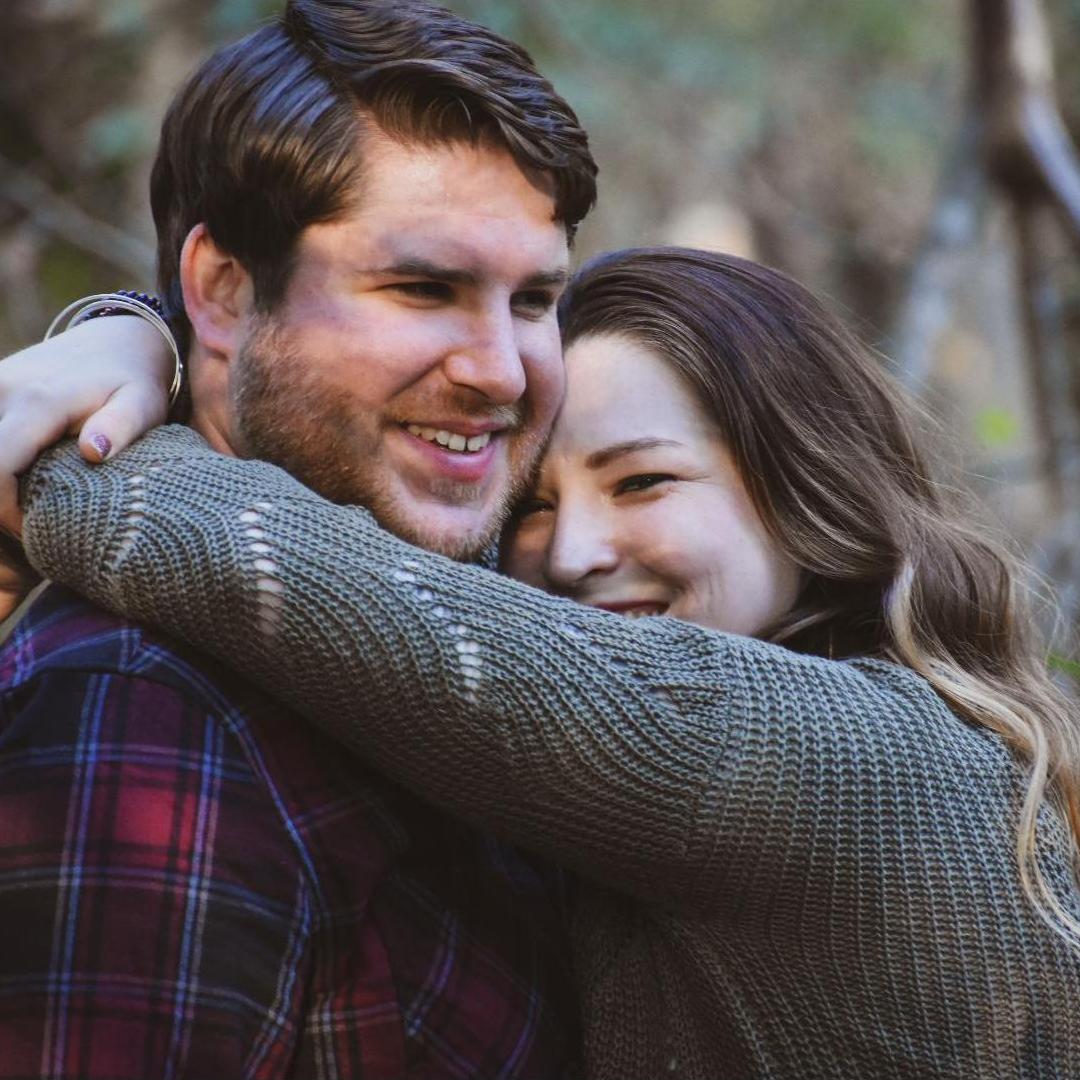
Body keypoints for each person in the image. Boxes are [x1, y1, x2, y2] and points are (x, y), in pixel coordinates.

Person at [10, 246, 1080, 1079]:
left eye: (645, 481)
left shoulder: (847, 759)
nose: (572, 555)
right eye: (533, 504)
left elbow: (296, 573)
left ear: (808, 490)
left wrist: (100, 385)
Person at [0, 0, 600, 1075]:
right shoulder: (150, 707)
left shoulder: (524, 608)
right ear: (223, 291)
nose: (500, 372)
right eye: (423, 287)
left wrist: (128, 329)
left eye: (533, 300)